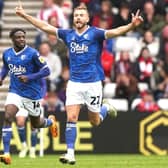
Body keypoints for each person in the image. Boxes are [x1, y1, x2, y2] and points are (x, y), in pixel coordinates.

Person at [15, 3, 143, 165]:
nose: (78, 18)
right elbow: (45, 26)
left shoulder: (95, 33)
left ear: (88, 18)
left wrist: (131, 26)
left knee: (94, 121)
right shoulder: (68, 34)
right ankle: (70, 153)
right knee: (72, 117)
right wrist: (25, 15)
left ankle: (105, 108)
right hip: (75, 83)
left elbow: (114, 32)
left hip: (93, 84)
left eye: (81, 15)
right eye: (76, 15)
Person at [0, 28, 58, 165]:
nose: (21, 39)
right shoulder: (7, 53)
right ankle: (6, 154)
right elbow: (6, 68)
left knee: (36, 123)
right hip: (15, 91)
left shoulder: (33, 53)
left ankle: (50, 122)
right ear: (12, 39)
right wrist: (1, 77)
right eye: (18, 37)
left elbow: (46, 70)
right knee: (8, 116)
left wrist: (29, 77)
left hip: (32, 94)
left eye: (23, 37)